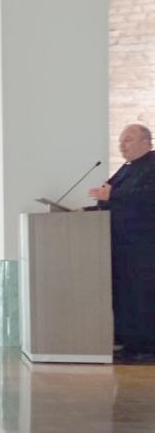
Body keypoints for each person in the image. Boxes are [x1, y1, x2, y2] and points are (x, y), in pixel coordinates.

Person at [91, 123, 155, 355]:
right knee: (125, 293)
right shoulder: (127, 168)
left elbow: (147, 197)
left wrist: (112, 195)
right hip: (122, 245)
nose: (122, 144)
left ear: (147, 143)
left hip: (144, 247)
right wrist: (90, 209)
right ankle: (129, 339)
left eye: (128, 139)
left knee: (142, 294)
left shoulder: (152, 165)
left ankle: (146, 344)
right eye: (120, 140)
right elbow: (111, 197)